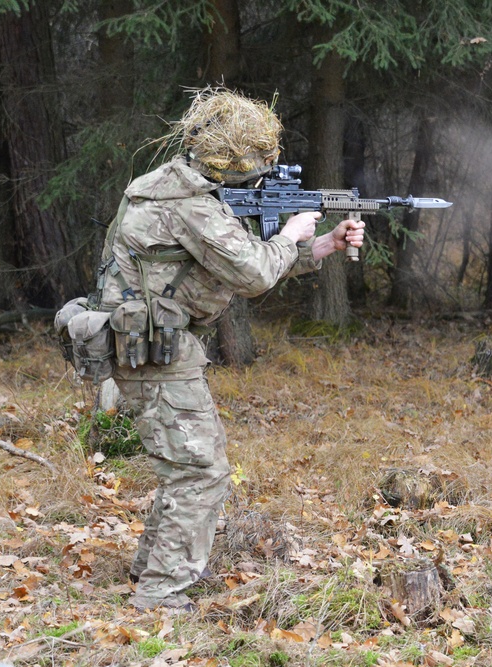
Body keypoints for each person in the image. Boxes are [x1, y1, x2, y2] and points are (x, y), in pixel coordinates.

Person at [95, 87, 365, 612]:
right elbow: (255, 271)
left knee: (188, 466)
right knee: (199, 471)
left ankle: (150, 570)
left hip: (155, 345)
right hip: (155, 352)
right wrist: (291, 233)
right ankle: (161, 594)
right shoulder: (192, 208)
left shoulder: (172, 187)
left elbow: (234, 260)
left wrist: (323, 244)